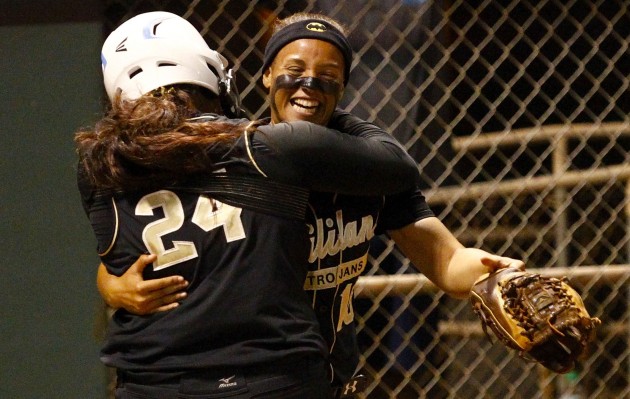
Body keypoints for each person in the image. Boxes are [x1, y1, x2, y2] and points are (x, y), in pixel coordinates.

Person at [96, 11, 525, 397]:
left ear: (343, 84)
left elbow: (448, 262)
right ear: (265, 75)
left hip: (320, 376)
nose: (308, 84)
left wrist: (498, 277)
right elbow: (160, 240)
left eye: (328, 74)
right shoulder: (234, 155)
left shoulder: (365, 169)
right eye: (294, 69)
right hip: (257, 375)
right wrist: (112, 285)